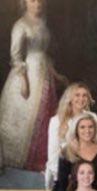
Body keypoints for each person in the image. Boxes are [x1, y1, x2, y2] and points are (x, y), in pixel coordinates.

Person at [0, 0, 58, 171]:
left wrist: (55, 74)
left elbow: (44, 54)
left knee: (46, 113)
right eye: (32, 0)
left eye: (40, 0)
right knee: (26, 116)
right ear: (24, 3)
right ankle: (19, 160)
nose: (37, 4)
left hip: (44, 73)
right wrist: (24, 80)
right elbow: (16, 56)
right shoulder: (20, 25)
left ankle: (42, 159)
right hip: (27, 74)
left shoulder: (42, 23)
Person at [47, 83, 94, 191]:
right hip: (64, 177)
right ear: (70, 98)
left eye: (84, 95)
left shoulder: (93, 118)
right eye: (77, 95)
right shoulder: (56, 121)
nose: (81, 99)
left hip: (87, 178)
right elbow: (53, 152)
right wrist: (60, 176)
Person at [53, 111, 97, 191]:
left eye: (90, 127)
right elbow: (62, 183)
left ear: (95, 129)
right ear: (76, 130)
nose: (87, 131)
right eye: (82, 127)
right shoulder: (66, 152)